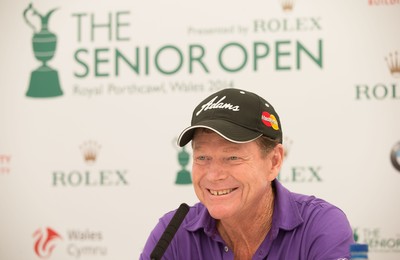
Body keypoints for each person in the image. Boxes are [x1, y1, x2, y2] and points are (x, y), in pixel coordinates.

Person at [140, 88, 354, 259]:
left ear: (274, 161)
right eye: (202, 157)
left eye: (232, 157)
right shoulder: (173, 232)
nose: (214, 175)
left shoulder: (320, 226)